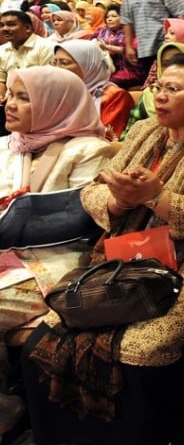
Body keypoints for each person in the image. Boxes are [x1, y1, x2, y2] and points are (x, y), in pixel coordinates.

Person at [22, 55, 184, 444]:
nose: (160, 96)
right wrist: (118, 202)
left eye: (174, 89)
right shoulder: (144, 133)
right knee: (43, 341)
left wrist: (158, 197)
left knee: (140, 348)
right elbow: (93, 192)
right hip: (124, 259)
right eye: (158, 87)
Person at [0, 67, 116, 435]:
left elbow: (80, 219)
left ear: (55, 104)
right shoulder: (9, 145)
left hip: (53, 266)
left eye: (23, 96)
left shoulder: (89, 151)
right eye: (9, 94)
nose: (8, 103)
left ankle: (7, 409)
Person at [51, 40, 134, 140]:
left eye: (64, 63)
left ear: (89, 66)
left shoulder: (115, 97)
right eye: (54, 62)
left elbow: (106, 141)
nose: (56, 69)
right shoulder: (58, 93)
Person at [94, 4, 145, 88]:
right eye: (107, 17)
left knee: (106, 84)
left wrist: (106, 47)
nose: (109, 19)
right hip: (107, 68)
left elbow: (128, 50)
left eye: (114, 16)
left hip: (128, 70)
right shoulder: (103, 32)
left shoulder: (131, 33)